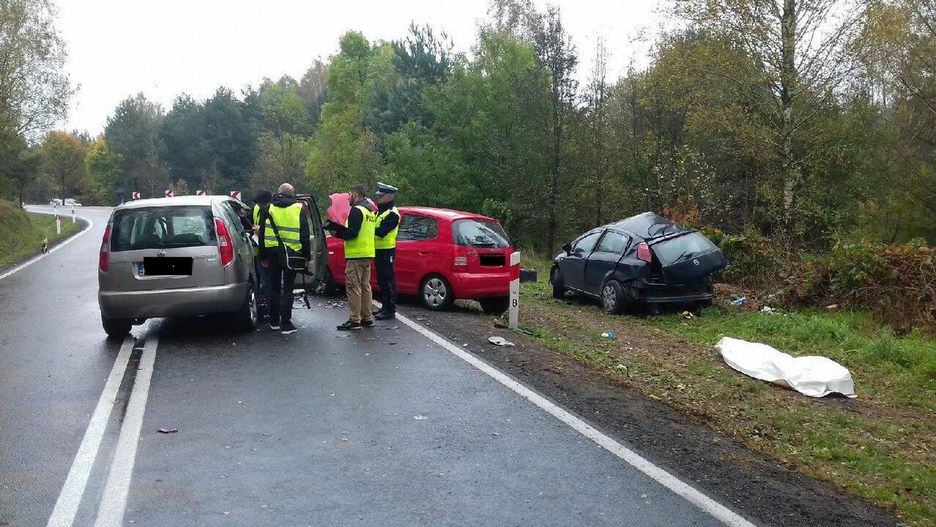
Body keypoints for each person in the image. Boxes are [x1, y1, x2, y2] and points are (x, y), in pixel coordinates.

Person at [259, 183, 311, 335]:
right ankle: (286, 323)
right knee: (288, 288)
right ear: (292, 194)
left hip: (272, 253)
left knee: (275, 287)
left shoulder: (268, 208)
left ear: (278, 193)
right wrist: (306, 257)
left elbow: (262, 234)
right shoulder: (298, 208)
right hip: (292, 253)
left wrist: (263, 257)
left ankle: (274, 321)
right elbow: (304, 235)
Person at [326, 184, 376, 331]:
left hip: (356, 255)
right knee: (365, 286)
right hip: (368, 253)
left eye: (349, 195)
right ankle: (367, 317)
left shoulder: (356, 210)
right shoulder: (369, 210)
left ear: (355, 194)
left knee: (353, 287)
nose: (348, 198)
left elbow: (353, 233)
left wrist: (337, 233)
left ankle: (355, 319)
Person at [372, 182, 400, 320]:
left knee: (388, 280)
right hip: (378, 250)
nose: (379, 198)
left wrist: (367, 230)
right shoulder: (379, 211)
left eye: (382, 196)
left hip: (387, 251)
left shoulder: (392, 214)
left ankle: (390, 309)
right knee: (381, 280)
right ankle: (384, 306)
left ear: (389, 196)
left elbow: (382, 232)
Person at [251, 190, 273, 320]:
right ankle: (271, 308)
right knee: (267, 282)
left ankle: (272, 311)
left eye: (258, 202)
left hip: (267, 251)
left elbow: (269, 232)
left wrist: (261, 230)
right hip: (261, 251)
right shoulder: (257, 209)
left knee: (269, 283)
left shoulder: (270, 211)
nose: (257, 205)